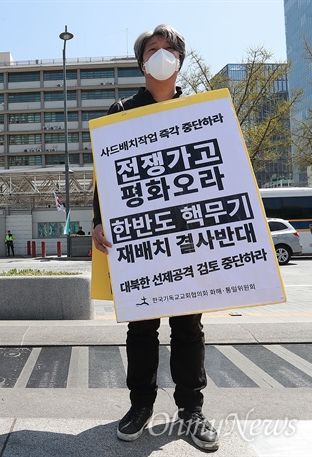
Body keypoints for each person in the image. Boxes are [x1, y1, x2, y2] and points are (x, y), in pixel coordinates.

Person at [92, 25, 219, 452]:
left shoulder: (202, 111)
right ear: (141, 60)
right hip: (139, 244)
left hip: (186, 240)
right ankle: (140, 406)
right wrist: (97, 220)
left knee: (189, 327)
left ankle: (191, 411)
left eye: (169, 49)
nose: (161, 54)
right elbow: (105, 176)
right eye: (153, 49)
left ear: (180, 59)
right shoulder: (121, 111)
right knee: (141, 328)